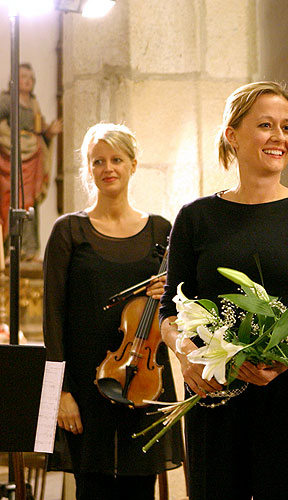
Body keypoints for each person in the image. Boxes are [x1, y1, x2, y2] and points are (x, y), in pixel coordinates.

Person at [159, 81, 288, 500]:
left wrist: (284, 356)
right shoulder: (195, 216)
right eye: (265, 125)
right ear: (232, 135)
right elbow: (170, 309)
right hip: (214, 394)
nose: (280, 137)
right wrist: (187, 353)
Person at [43, 123, 182, 500]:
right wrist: (60, 393)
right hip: (86, 385)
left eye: (117, 159)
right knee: (92, 488)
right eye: (98, 161)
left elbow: (179, 310)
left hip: (145, 379)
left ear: (133, 165)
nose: (108, 168)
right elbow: (52, 319)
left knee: (141, 489)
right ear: (88, 169)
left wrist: (169, 293)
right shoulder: (69, 231)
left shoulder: (160, 230)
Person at [0, 62, 62, 258]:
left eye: (31, 78)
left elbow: (40, 132)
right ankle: (10, 249)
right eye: (23, 76)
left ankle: (29, 249)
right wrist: (13, 140)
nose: (27, 81)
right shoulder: (6, 101)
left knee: (29, 203)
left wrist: (49, 134)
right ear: (14, 80)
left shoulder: (34, 103)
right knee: (12, 201)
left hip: (32, 160)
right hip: (10, 159)